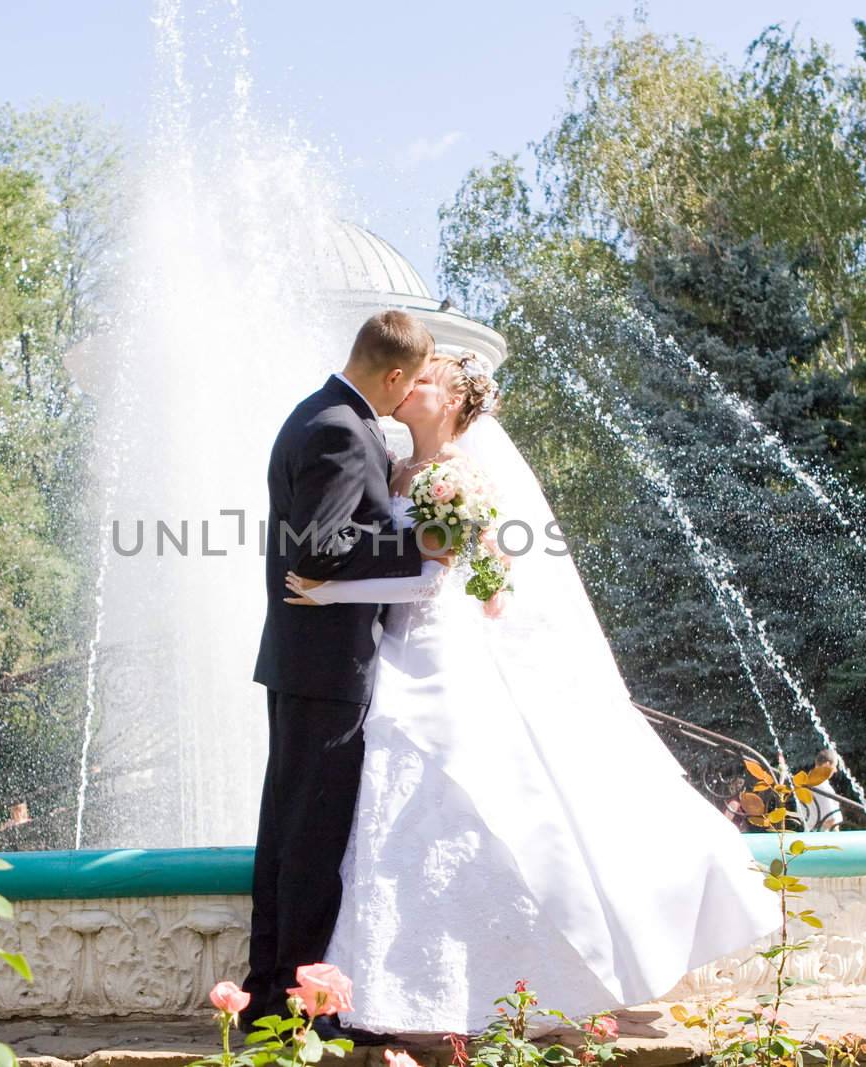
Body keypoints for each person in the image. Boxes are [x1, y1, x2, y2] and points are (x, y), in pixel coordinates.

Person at [283, 349, 780, 1035]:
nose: (405, 388)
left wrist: (329, 587)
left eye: (422, 380)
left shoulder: (461, 475)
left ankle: (531, 974)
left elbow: (434, 577)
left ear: (454, 400)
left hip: (436, 644)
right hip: (394, 644)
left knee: (448, 777)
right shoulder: (397, 468)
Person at [245, 309, 441, 1028]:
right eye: (410, 382)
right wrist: (425, 545)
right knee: (310, 843)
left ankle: (269, 992)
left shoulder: (319, 415)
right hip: (326, 667)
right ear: (393, 375)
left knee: (290, 834)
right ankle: (294, 1010)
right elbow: (319, 550)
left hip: (306, 663)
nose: (408, 394)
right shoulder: (339, 429)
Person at [797, 750, 846, 832]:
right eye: (834, 766)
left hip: (808, 832)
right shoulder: (822, 787)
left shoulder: (805, 781)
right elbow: (831, 820)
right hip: (824, 837)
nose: (835, 770)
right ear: (827, 765)